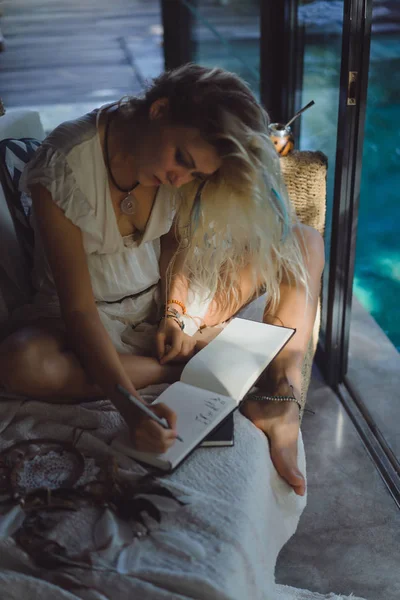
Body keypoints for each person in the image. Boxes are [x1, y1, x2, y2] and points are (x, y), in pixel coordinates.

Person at [0, 64, 324, 496]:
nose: (179, 179)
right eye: (182, 161)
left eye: (194, 175)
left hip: (159, 305)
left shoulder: (174, 170)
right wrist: (132, 410)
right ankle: (180, 367)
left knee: (303, 242)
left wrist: (175, 313)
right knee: (21, 363)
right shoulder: (64, 165)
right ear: (158, 109)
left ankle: (281, 398)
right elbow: (78, 311)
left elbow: (174, 245)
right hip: (79, 319)